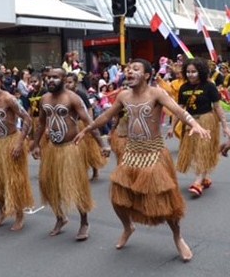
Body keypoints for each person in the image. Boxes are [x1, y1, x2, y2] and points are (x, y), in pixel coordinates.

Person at [74, 58, 211, 262]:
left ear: (147, 75)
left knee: (166, 202)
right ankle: (128, 227)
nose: (129, 71)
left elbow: (178, 110)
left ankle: (178, 237)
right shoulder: (123, 95)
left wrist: (195, 125)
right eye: (128, 69)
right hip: (131, 152)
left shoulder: (156, 93)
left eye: (135, 69)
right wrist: (87, 129)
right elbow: (106, 116)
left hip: (154, 153)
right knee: (117, 198)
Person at [31, 68, 108, 239]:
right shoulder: (44, 99)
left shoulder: (73, 98)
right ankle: (60, 217)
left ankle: (84, 222)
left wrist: (101, 145)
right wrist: (35, 144)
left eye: (55, 77)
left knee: (77, 185)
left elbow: (89, 122)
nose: (50, 80)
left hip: (70, 148)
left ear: (64, 79)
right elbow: (41, 124)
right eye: (48, 77)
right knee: (49, 184)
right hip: (52, 149)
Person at [168, 57, 230, 197]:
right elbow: (180, 109)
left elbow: (218, 108)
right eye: (188, 72)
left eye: (194, 71)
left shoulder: (209, 86)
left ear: (200, 72)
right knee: (194, 152)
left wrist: (225, 127)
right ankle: (205, 178)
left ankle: (197, 182)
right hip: (190, 123)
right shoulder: (184, 88)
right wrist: (172, 127)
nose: (190, 74)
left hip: (207, 122)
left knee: (202, 150)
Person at [0, 71, 34, 231]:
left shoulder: (9, 99)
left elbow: (27, 119)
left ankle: (19, 215)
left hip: (12, 140)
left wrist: (19, 143)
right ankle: (2, 211)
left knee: (14, 180)